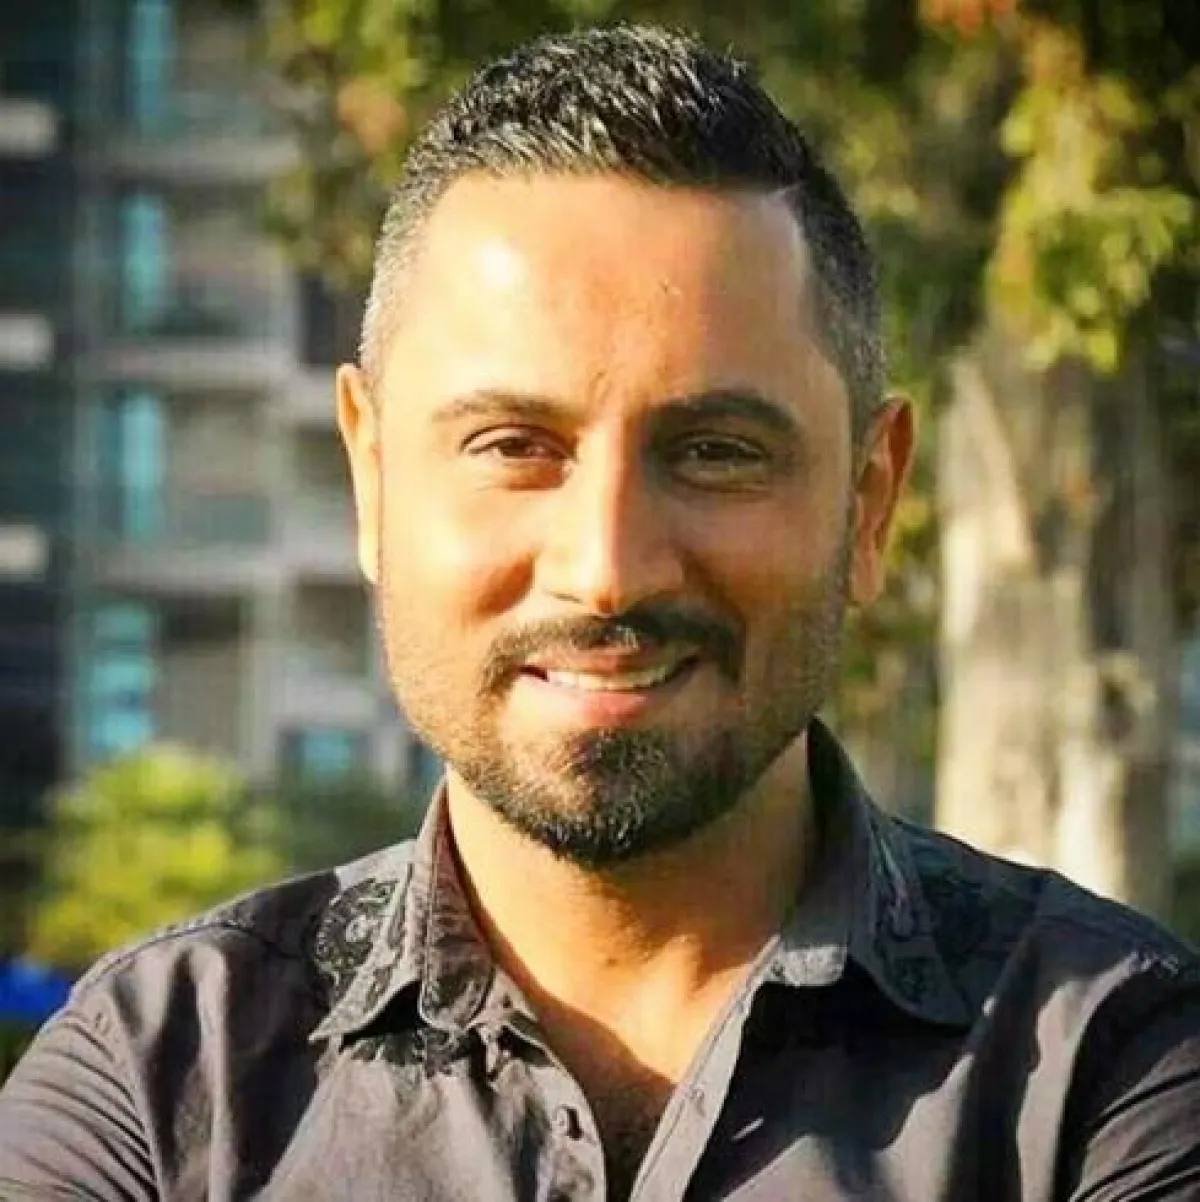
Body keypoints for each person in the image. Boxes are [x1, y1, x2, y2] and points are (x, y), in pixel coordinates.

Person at [2, 24, 1198, 1202]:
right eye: (513, 445)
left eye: (718, 451)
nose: (608, 569)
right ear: (372, 477)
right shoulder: (157, 1087)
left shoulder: (1106, 1068)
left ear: (870, 499)